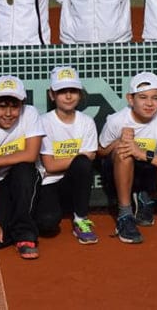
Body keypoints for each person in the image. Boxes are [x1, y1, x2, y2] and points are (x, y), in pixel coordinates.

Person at [98, 71, 157, 244]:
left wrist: (142, 153)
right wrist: (118, 143)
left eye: (155, 98)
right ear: (130, 99)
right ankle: (125, 214)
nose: (149, 103)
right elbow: (100, 152)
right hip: (117, 172)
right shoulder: (116, 120)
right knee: (124, 152)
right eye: (143, 97)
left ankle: (145, 196)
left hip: (146, 171)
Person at [0, 75, 45, 259]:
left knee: (24, 168)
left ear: (22, 104)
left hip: (23, 178)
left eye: (14, 106)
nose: (8, 113)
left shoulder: (30, 114)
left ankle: (24, 234)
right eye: (2, 106)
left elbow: (31, 154)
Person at [35, 66, 99, 244]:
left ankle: (80, 219)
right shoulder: (44, 122)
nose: (69, 96)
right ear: (52, 95)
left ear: (79, 94)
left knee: (83, 163)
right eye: (62, 91)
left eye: (73, 91)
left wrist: (80, 160)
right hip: (49, 183)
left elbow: (90, 158)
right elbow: (50, 166)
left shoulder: (87, 122)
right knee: (47, 224)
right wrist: (80, 156)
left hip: (74, 183)